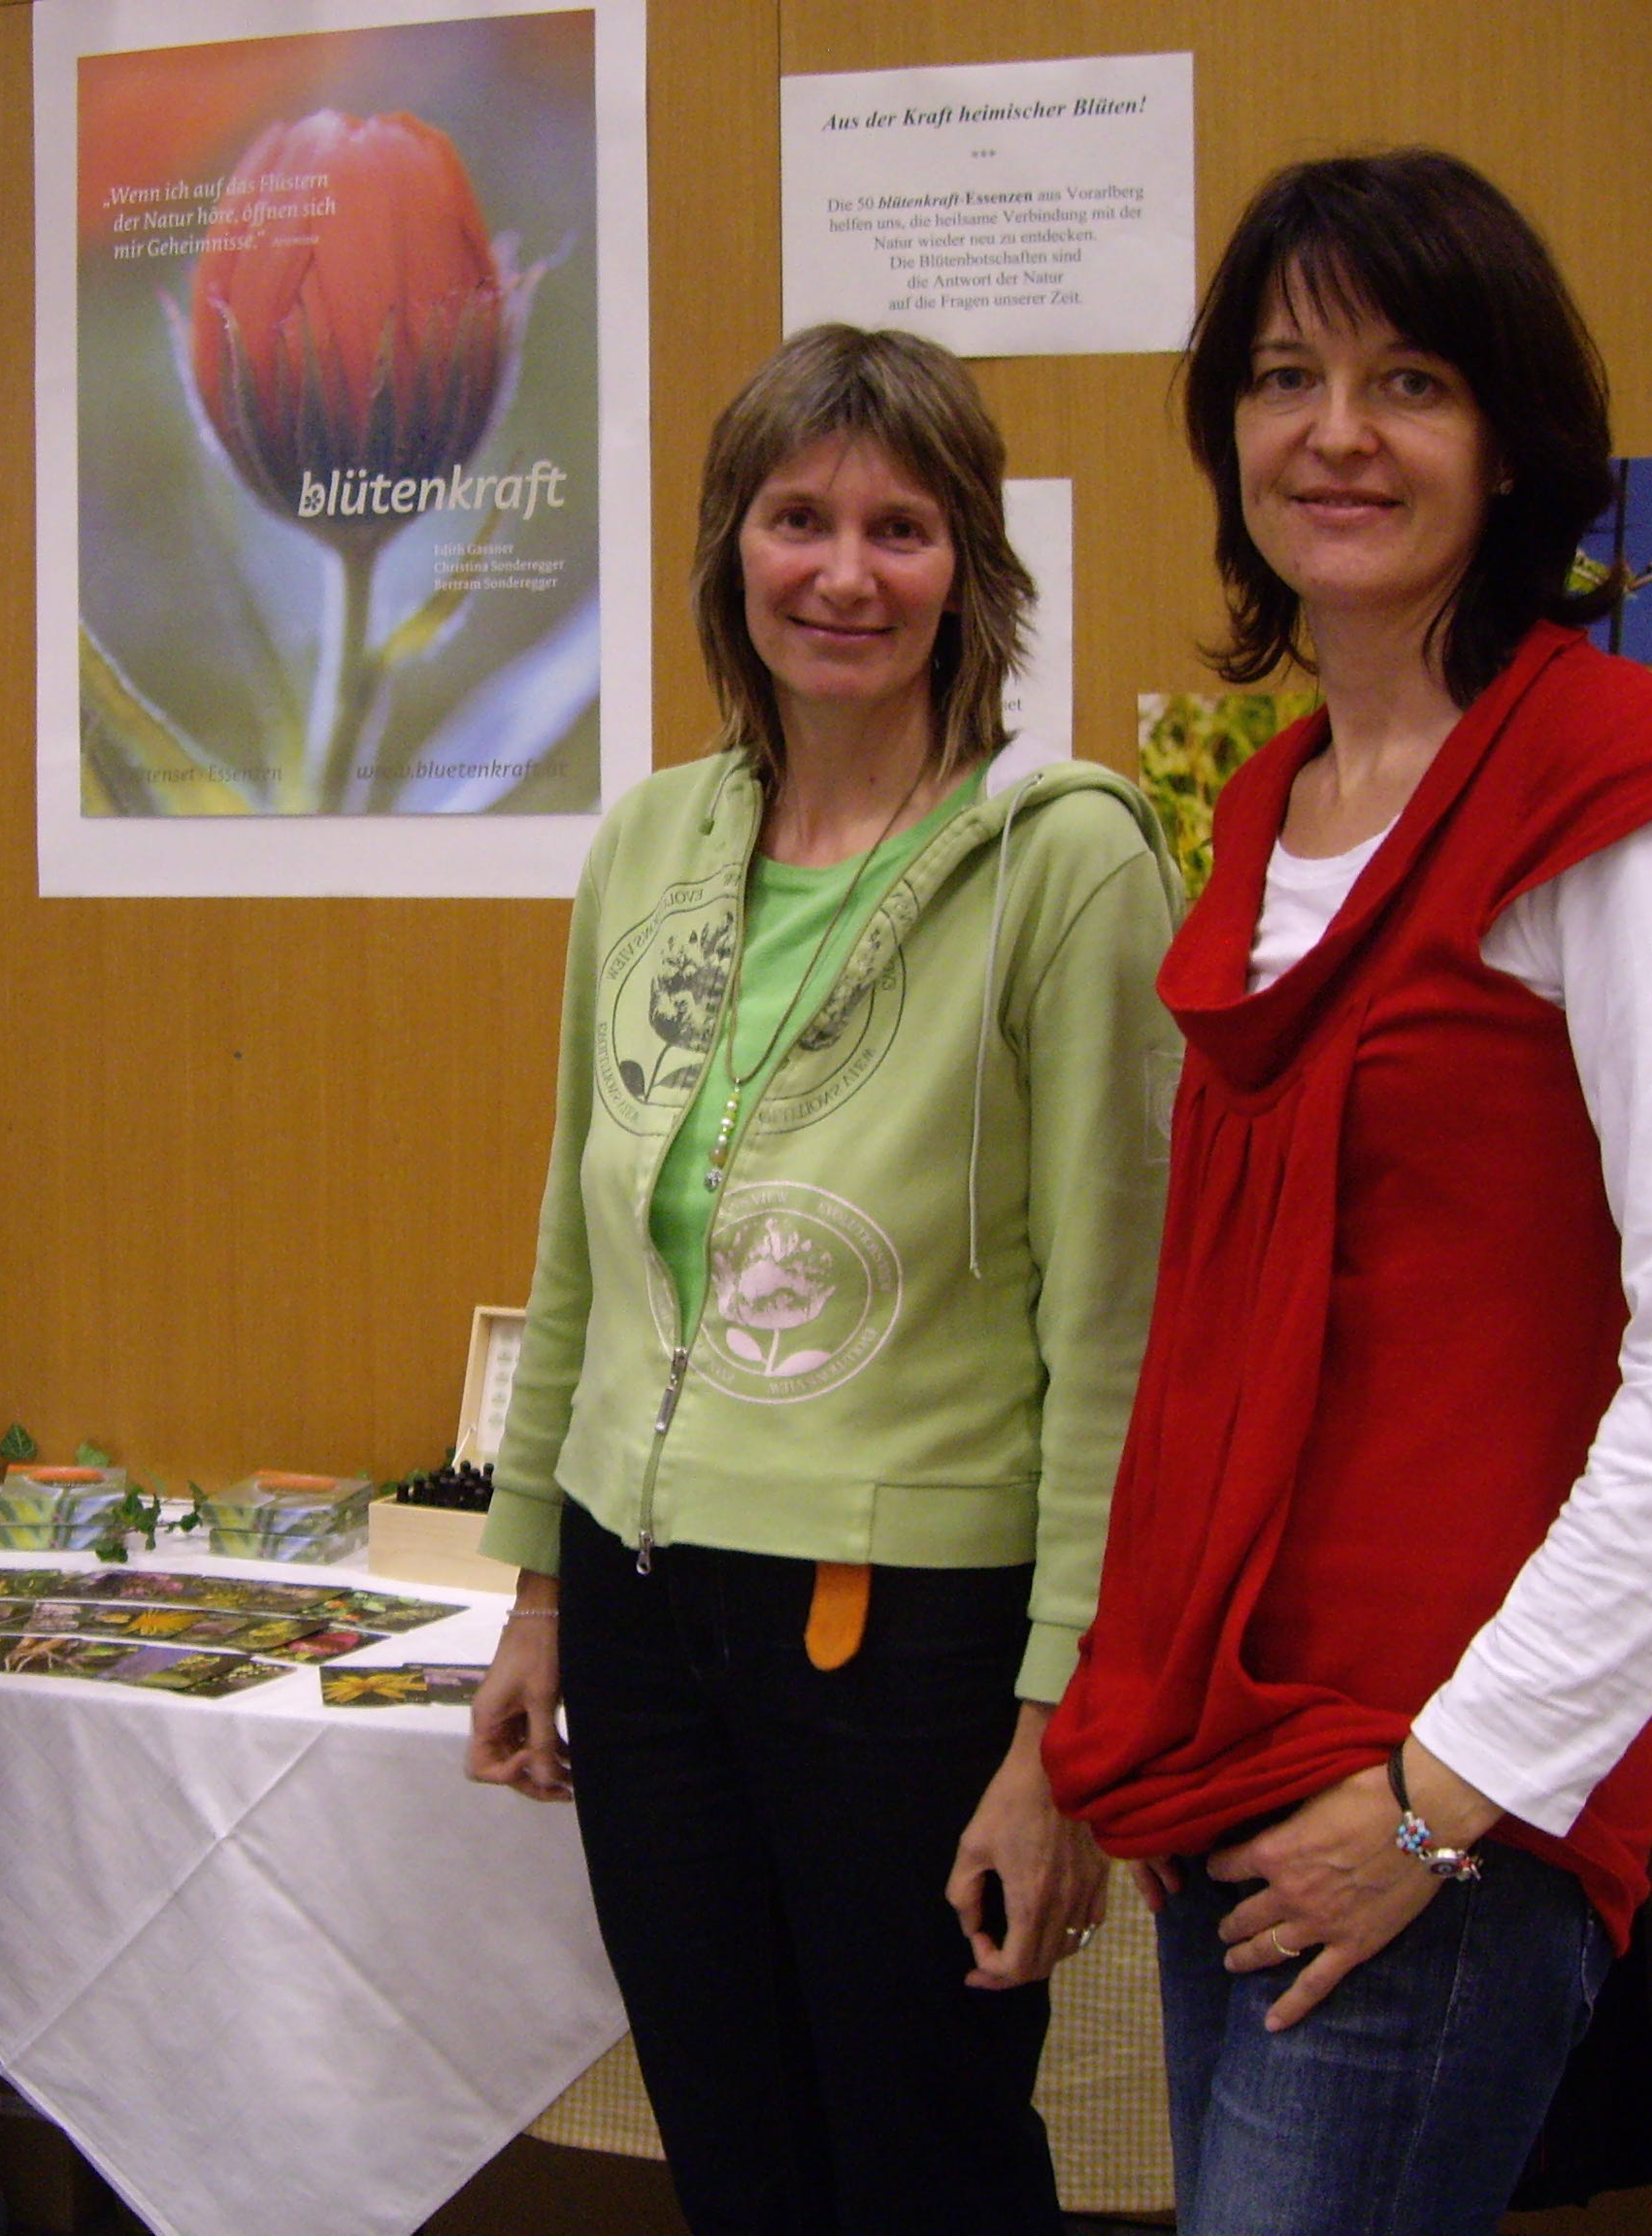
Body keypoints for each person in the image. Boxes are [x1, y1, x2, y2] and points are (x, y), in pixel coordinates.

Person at [1042, 150, 1652, 2235]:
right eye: (1285, 377)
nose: (1338, 434)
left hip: (1426, 1808)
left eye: (1411, 381)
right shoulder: (1269, 816)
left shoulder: (1613, 789)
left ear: (1509, 440)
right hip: (1228, 1766)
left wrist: (1440, 1796)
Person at [465, 324, 1181, 2235]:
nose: (845, 574)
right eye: (798, 519)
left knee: (924, 2161)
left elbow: (1119, 1330)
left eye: (901, 527)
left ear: (971, 568)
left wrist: (1059, 1734)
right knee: (734, 2156)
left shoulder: (1069, 865)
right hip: (639, 1606)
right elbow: (580, 1236)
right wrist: (537, 1584)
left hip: (906, 1631)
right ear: (731, 547)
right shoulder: (649, 843)